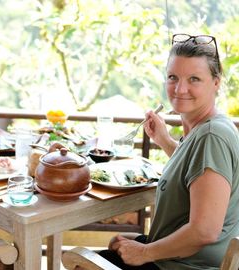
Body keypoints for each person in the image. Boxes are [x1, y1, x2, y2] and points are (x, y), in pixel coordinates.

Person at [97, 34, 239, 269]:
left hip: (184, 264)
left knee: (79, 260)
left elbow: (204, 231)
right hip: (177, 255)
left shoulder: (212, 137)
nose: (180, 88)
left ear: (216, 82)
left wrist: (143, 252)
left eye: (194, 79)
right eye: (173, 77)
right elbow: (196, 173)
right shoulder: (209, 128)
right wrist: (164, 140)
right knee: (115, 243)